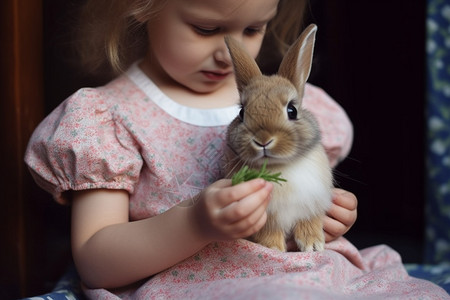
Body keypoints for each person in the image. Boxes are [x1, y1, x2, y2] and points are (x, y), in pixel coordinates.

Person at [25, 0, 447, 299]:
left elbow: (302, 199)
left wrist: (325, 216)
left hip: (308, 273)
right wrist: (194, 223)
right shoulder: (108, 117)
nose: (233, 53)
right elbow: (96, 262)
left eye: (253, 29)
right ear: (142, 6)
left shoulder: (290, 105)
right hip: (202, 285)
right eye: (206, 28)